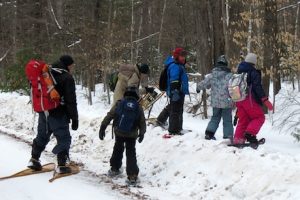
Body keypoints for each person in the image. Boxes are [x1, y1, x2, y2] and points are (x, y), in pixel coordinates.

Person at [27, 55, 79, 174]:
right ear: (68, 65)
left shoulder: (46, 73)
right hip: (59, 113)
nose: (73, 68)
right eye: (72, 65)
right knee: (63, 137)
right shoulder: (67, 77)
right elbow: (71, 100)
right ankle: (62, 165)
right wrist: (74, 118)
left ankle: (34, 159)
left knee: (42, 135)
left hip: (44, 110)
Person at [99, 87, 146, 183]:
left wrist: (103, 127)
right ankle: (132, 176)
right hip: (132, 134)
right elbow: (142, 122)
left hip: (119, 132)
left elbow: (110, 115)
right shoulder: (138, 107)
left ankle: (114, 169)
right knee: (131, 153)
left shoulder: (119, 103)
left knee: (118, 149)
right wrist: (142, 133)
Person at [233, 53, 273, 145]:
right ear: (254, 62)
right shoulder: (253, 72)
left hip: (238, 100)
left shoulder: (239, 72)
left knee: (243, 120)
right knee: (259, 117)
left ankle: (238, 140)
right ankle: (250, 134)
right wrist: (265, 100)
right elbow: (257, 87)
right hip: (249, 100)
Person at [196, 55, 234, 140]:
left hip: (216, 102)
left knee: (215, 118)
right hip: (227, 101)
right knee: (227, 120)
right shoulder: (230, 76)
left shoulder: (212, 75)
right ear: (226, 64)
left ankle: (209, 134)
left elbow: (204, 83)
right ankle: (228, 137)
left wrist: (198, 88)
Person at [156, 48, 189, 135]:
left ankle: (178, 128)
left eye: (184, 56)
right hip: (176, 92)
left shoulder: (179, 65)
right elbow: (174, 79)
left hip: (179, 91)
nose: (183, 58)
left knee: (178, 109)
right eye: (182, 56)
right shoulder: (175, 66)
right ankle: (173, 130)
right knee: (175, 111)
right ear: (177, 56)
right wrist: (175, 91)